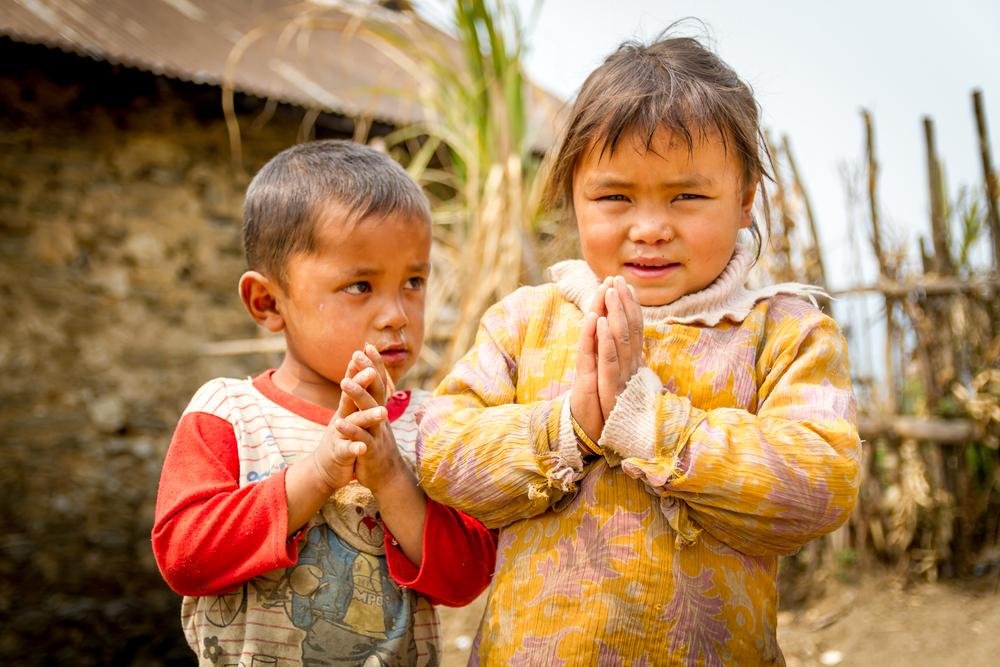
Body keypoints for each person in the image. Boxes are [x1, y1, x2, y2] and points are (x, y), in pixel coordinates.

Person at [417, 33, 861, 665]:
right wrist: (568, 427)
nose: (650, 226)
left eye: (687, 196)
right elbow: (440, 449)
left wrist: (652, 424)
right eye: (615, 196)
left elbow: (823, 483)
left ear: (744, 200)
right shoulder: (527, 320)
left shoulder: (783, 333)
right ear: (573, 193)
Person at [152, 139, 496, 667]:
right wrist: (317, 472)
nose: (397, 315)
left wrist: (390, 477)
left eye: (413, 282)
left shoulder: (435, 423)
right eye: (361, 285)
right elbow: (184, 557)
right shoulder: (228, 413)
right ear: (267, 302)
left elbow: (467, 578)